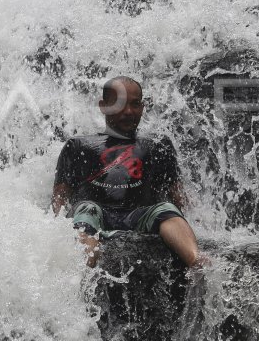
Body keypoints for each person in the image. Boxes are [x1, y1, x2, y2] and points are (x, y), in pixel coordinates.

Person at [51, 76, 202, 268]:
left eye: (135, 104)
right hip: (96, 215)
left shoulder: (157, 145)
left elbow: (178, 198)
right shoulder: (78, 145)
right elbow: (59, 201)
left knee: (166, 209)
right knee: (86, 209)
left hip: (140, 216)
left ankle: (197, 262)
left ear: (143, 107)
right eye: (120, 104)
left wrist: (193, 223)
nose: (129, 112)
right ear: (103, 106)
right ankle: (84, 271)